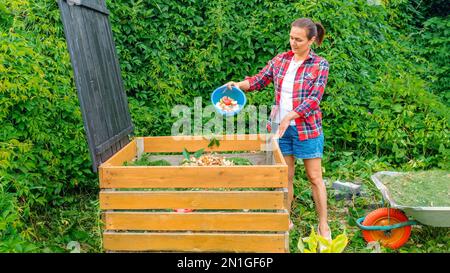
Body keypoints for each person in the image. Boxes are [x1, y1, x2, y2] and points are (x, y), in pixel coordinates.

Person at [225, 18, 331, 241]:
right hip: (280, 129)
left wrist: (291, 116)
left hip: (307, 129)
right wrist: (238, 85)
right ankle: (285, 219)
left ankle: (323, 226)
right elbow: (258, 81)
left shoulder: (320, 65)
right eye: (291, 38)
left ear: (311, 40)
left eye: (299, 40)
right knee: (286, 176)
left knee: (314, 177)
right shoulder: (281, 60)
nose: (293, 43)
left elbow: (314, 99)